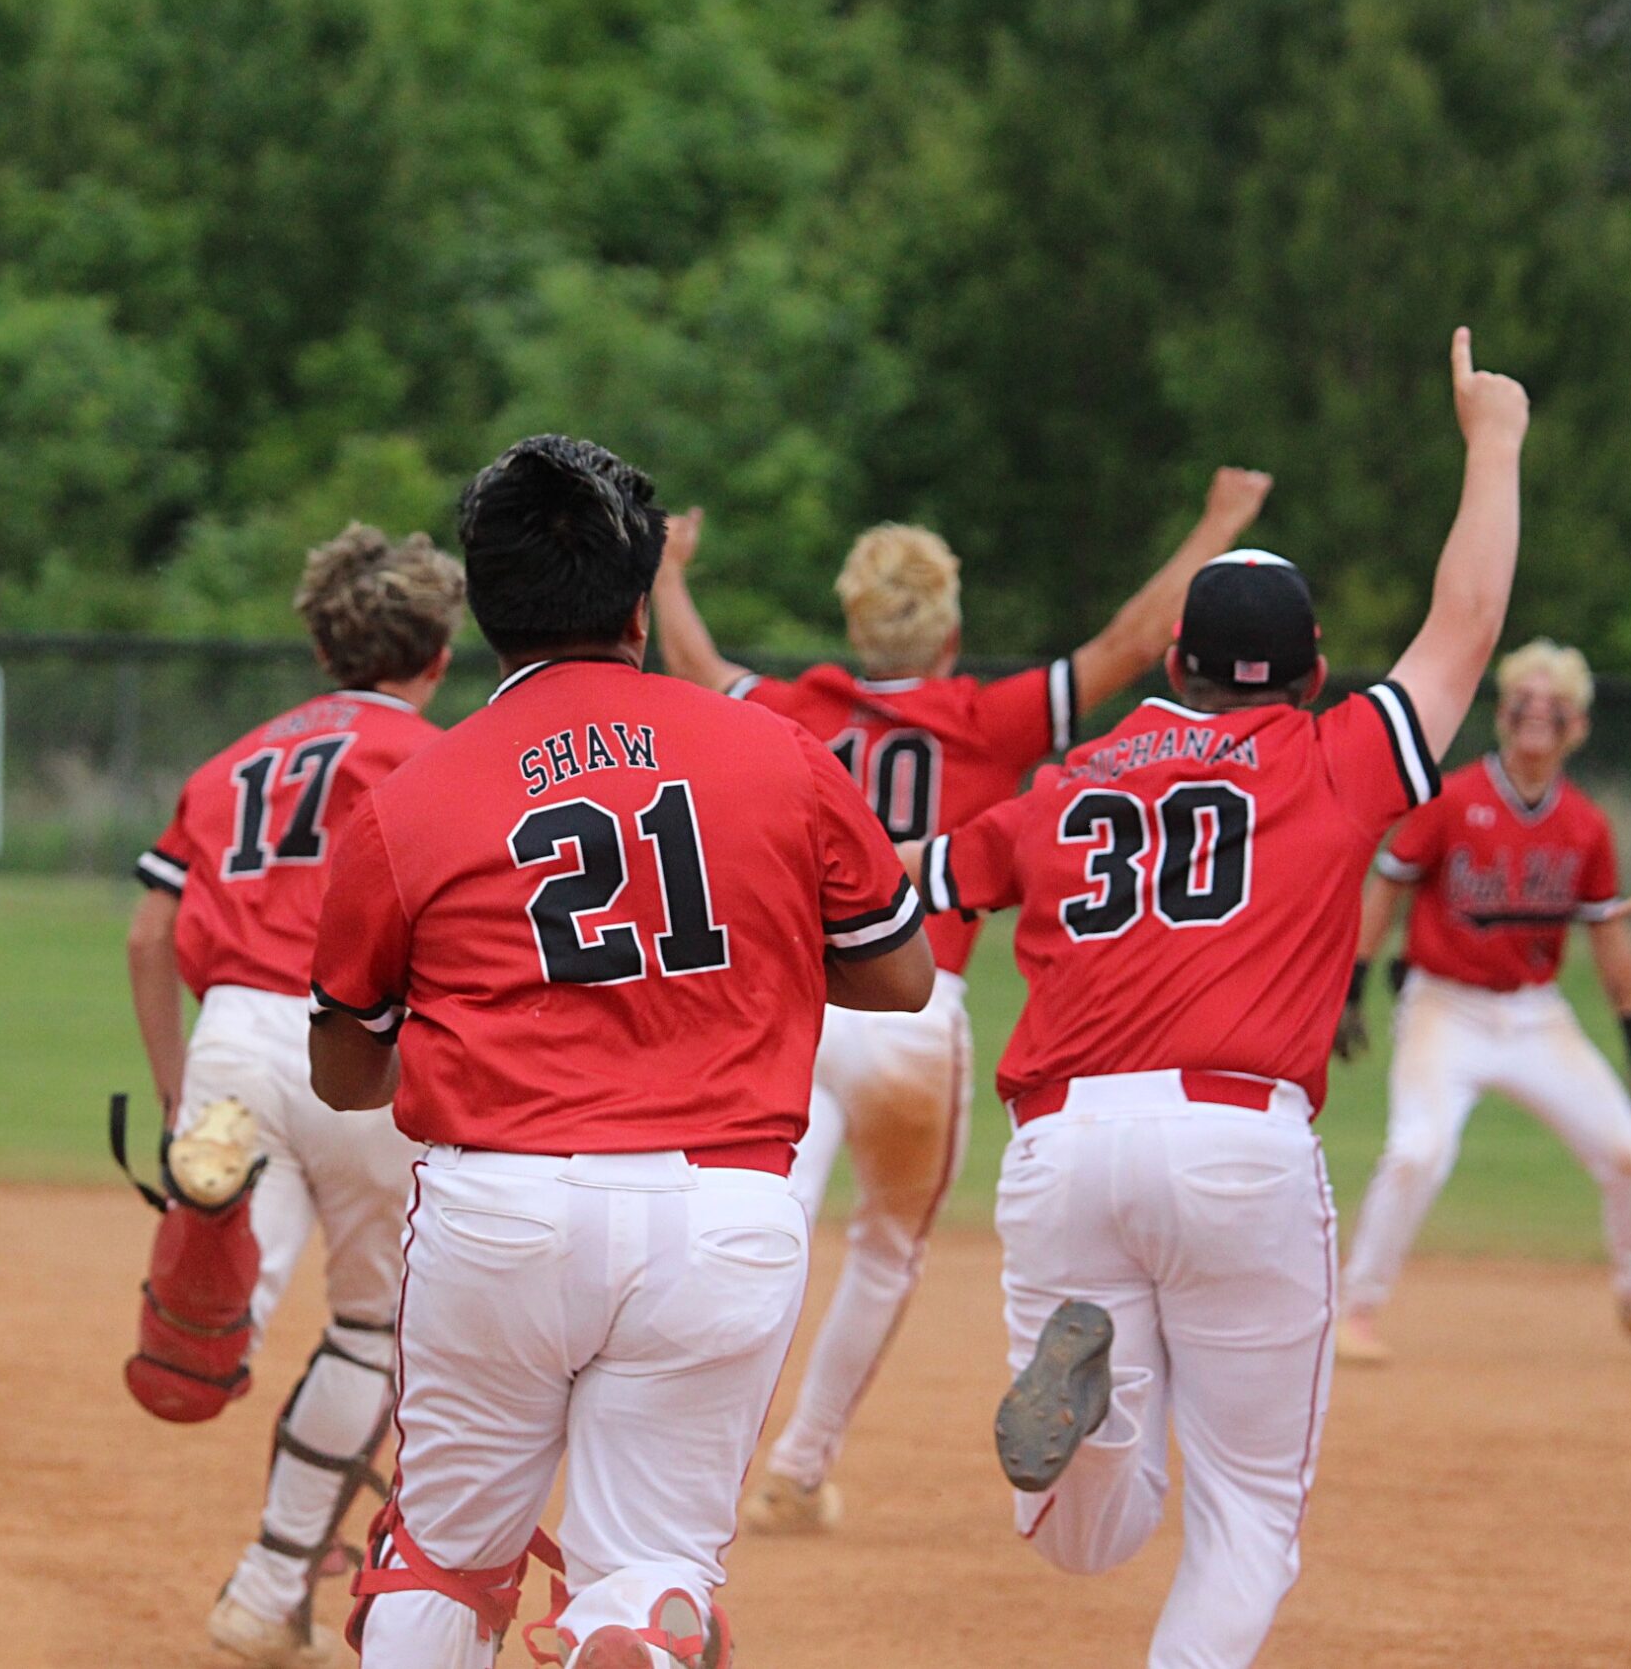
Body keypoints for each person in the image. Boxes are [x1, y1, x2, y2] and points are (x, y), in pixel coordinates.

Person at [908, 330, 1527, 1666]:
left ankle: (1105, 1418)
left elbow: (920, 891)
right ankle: (1109, 1419)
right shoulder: (1334, 753)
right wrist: (1494, 439)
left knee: (1085, 1532)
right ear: (1310, 671)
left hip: (1062, 1140)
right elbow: (1466, 623)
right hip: (1238, 1138)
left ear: (1173, 661)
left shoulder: (1069, 782)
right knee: (1248, 1517)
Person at [308, 435, 933, 1669]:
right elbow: (902, 975)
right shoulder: (778, 754)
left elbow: (345, 1073)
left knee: (442, 1555)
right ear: (639, 607)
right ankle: (628, 1624)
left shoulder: (413, 797)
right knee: (648, 1559)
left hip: (502, 1209)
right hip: (723, 1213)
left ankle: (569, 1618)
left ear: (482, 614)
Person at [647, 470, 1271, 1531]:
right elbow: (1127, 644)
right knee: (885, 1254)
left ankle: (685, 1458)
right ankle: (797, 1470)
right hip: (911, 1011)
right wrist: (1216, 528)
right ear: (948, 631)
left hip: (795, 1011)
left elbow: (699, 669)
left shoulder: (804, 709)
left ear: (855, 621)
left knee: (769, 1225)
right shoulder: (982, 718)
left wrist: (664, 570)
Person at [127, 524, 469, 1668]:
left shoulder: (235, 760)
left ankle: (208, 1303)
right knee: (371, 1329)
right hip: (363, 1046)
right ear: (437, 649)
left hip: (232, 1036)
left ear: (323, 642)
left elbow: (149, 929)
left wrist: (180, 1093)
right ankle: (267, 1590)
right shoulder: (440, 758)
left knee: (220, 1305)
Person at [1329, 639, 1631, 1366]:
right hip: (1443, 1005)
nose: (1536, 719)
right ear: (1503, 716)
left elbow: (1606, 933)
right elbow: (1387, 883)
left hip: (1534, 1012)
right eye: (1522, 704)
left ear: (1578, 726)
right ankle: (1355, 1311)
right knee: (1418, 1150)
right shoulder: (1452, 796)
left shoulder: (1585, 824)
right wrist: (1353, 984)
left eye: (1555, 708)